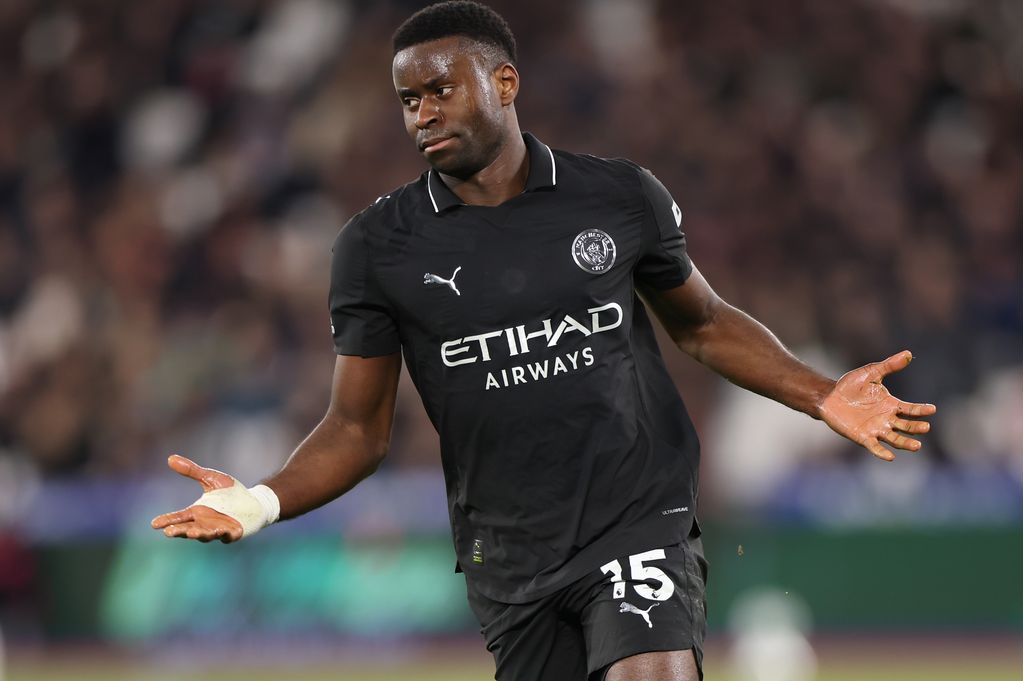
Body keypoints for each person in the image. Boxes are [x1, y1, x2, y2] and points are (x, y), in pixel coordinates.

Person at [151, 2, 936, 680]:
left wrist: (820, 392)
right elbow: (358, 428)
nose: (420, 112)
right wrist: (257, 502)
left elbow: (700, 322)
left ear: (504, 83)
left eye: (438, 89)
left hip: (638, 516)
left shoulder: (619, 196)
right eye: (406, 99)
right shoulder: (376, 247)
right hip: (510, 555)